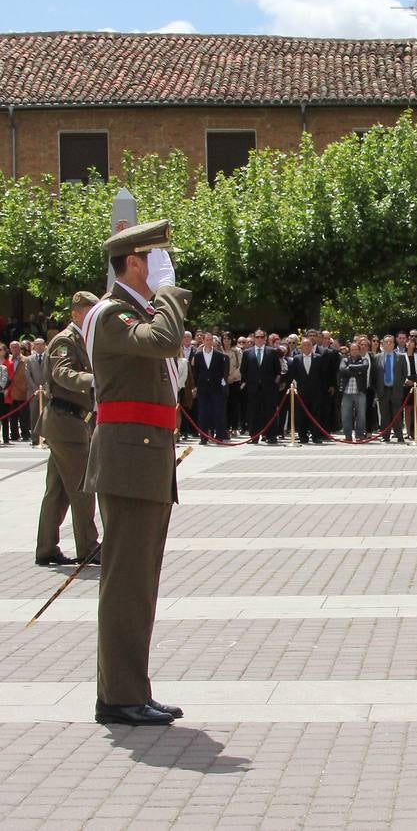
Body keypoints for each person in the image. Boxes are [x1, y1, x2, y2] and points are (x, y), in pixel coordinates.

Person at [82, 219, 190, 726]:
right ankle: (119, 695)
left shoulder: (133, 313)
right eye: (155, 259)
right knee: (127, 581)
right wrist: (169, 293)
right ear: (133, 263)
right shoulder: (112, 315)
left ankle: (131, 689)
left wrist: (162, 295)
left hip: (144, 460)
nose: (162, 268)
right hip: (129, 462)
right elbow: (166, 340)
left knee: (140, 582)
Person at [35, 291, 100, 567]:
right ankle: (89, 547)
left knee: (58, 490)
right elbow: (63, 373)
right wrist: (94, 380)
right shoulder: (65, 340)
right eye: (89, 312)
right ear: (75, 313)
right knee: (83, 488)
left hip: (72, 423)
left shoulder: (86, 340)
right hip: (65, 423)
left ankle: (47, 547)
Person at [241, 329, 281, 444]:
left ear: (265, 338)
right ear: (254, 338)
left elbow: (278, 371)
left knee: (270, 412)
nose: (259, 339)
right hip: (253, 389)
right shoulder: (247, 353)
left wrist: (274, 384)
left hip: (268, 389)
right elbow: (244, 370)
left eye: (261, 337)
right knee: (253, 413)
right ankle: (254, 436)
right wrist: (247, 384)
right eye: (257, 337)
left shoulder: (272, 352)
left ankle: (271, 435)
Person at [288, 336, 328, 444]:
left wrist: (322, 390)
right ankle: (303, 437)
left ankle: (316, 436)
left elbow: (323, 375)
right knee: (301, 416)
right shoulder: (296, 359)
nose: (306, 347)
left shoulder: (318, 358)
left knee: (316, 415)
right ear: (301, 347)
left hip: (316, 392)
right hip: (301, 393)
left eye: (308, 345)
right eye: (304, 345)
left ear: (311, 347)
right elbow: (293, 375)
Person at [190, 331, 228, 443]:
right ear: (203, 341)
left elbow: (222, 371)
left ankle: (219, 436)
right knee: (203, 412)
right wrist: (196, 386)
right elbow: (195, 372)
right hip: (203, 388)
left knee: (217, 412)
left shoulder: (219, 355)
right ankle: (204, 437)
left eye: (210, 340)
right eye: (206, 340)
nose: (208, 342)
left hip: (215, 387)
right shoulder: (198, 356)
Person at [373, 335, 410, 443]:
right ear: (383, 344)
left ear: (394, 344)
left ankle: (399, 436)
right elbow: (374, 376)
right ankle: (385, 436)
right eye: (386, 342)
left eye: (390, 342)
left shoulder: (401, 357)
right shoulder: (377, 357)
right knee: (384, 415)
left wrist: (398, 384)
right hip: (383, 390)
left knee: (397, 414)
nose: (388, 344)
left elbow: (404, 373)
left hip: (396, 389)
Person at [338, 342, 371, 441]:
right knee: (345, 416)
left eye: (356, 349)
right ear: (350, 350)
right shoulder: (344, 359)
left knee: (361, 416)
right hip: (347, 393)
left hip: (360, 392)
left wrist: (351, 368)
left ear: (359, 350)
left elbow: (364, 367)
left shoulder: (364, 360)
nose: (354, 351)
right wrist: (357, 370)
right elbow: (342, 370)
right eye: (352, 350)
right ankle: (348, 436)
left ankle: (359, 435)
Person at [27, 338, 49, 446]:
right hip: (34, 392)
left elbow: (51, 374)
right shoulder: (30, 359)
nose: (39, 347)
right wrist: (35, 388)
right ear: (34, 347)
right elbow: (28, 375)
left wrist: (44, 387)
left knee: (46, 416)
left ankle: (46, 438)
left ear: (45, 345)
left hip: (46, 392)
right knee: (34, 416)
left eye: (40, 345)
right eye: (36, 345)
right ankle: (35, 438)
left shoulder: (49, 357)